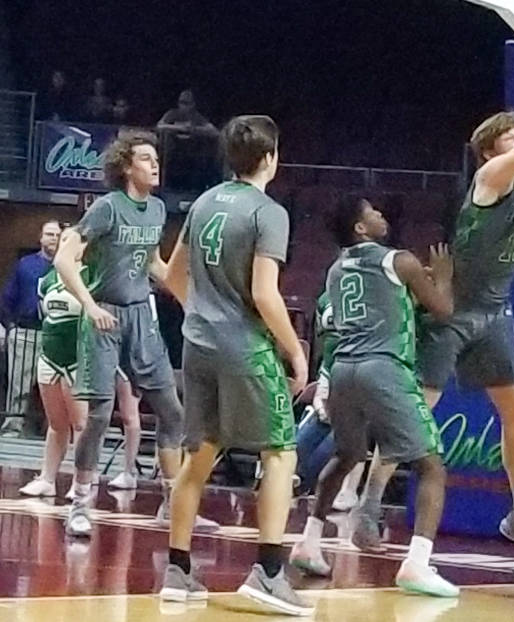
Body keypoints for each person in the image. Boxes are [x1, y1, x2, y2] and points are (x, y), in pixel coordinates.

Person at [352, 101, 514, 557]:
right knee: (416, 414)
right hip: (453, 312)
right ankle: (369, 506)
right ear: (488, 151)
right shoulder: (491, 179)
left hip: (495, 312)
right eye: (511, 140)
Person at [159, 115, 311, 615]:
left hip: (196, 343)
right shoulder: (269, 212)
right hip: (243, 346)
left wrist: (202, 313)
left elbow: (173, 273)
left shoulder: (204, 201)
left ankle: (177, 572)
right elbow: (265, 294)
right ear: (270, 157)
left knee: (199, 455)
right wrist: (294, 350)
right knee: (280, 452)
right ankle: (268, 573)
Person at [290, 195, 459, 598]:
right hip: (383, 368)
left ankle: (309, 543)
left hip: (343, 370)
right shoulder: (399, 260)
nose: (382, 215)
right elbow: (443, 311)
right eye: (372, 213)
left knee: (346, 455)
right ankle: (417, 564)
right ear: (360, 228)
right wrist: (443, 278)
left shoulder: (335, 269)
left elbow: (379, 306)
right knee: (432, 467)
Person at [53, 129, 214, 537]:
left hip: (141, 314)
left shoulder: (158, 210)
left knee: (173, 412)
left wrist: (191, 303)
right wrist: (89, 306)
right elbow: (64, 258)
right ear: (126, 166)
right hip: (105, 312)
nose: (155, 164)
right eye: (145, 158)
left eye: (156, 158)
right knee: (100, 415)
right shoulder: (108, 208)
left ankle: (172, 502)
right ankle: (80, 502)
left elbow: (155, 265)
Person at [18, 263, 141, 497]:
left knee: (82, 425)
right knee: (56, 424)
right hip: (50, 357)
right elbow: (43, 314)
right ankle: (47, 478)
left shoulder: (93, 275)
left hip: (79, 359)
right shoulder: (47, 280)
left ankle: (82, 480)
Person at [293, 291, 365, 505]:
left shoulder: (378, 290)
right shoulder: (327, 297)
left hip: (364, 369)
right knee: (322, 419)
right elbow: (326, 341)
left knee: (353, 428)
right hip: (332, 367)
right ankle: (296, 477)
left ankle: (348, 489)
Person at [1, 220, 60, 437]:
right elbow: (7, 298)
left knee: (55, 386)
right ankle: (13, 427)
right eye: (49, 234)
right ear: (41, 238)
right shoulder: (24, 264)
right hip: (25, 331)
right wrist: (10, 327)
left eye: (57, 235)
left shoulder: (67, 266)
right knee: (20, 383)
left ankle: (53, 430)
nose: (53, 238)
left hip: (55, 334)